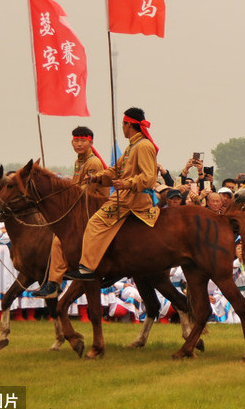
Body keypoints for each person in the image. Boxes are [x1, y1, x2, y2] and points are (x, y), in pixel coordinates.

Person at [64, 109, 159, 280]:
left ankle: (87, 268)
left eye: (123, 124)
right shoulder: (132, 146)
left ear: (128, 124)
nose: (122, 128)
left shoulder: (143, 146)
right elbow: (115, 170)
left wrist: (126, 183)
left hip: (133, 199)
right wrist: (96, 178)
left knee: (95, 223)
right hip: (125, 197)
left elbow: (148, 177)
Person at [35, 126, 108, 297]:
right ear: (72, 142)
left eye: (83, 140)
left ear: (91, 142)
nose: (79, 144)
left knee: (59, 240)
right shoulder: (79, 161)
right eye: (76, 140)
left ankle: (54, 282)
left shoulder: (93, 163)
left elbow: (83, 192)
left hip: (94, 209)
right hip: (82, 208)